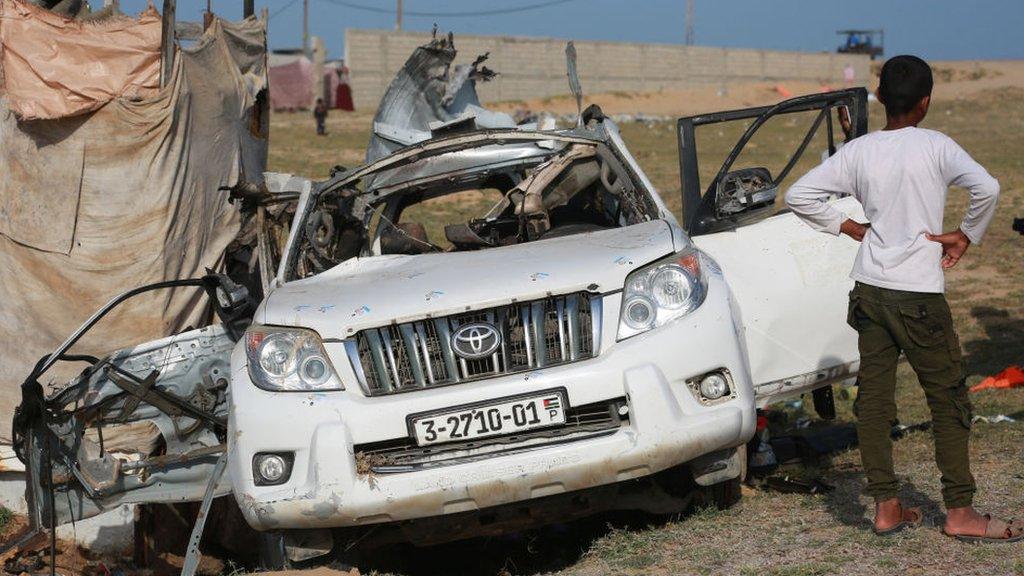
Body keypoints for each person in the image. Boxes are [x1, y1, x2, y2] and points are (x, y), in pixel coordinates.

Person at [785, 55, 1020, 543]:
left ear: (879, 99)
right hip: (919, 297)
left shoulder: (860, 152)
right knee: (948, 400)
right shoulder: (937, 146)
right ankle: (959, 512)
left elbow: (799, 195)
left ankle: (887, 506)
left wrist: (849, 226)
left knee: (874, 401)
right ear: (927, 101)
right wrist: (965, 235)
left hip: (869, 290)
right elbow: (988, 188)